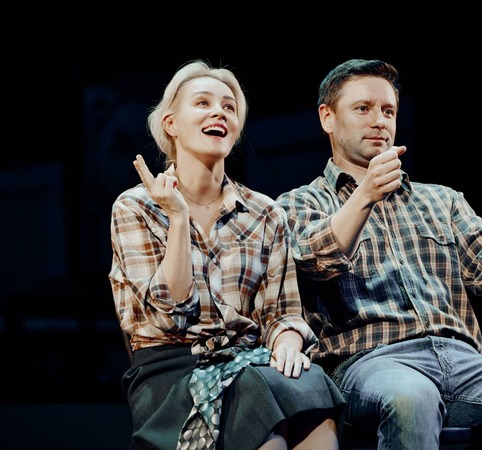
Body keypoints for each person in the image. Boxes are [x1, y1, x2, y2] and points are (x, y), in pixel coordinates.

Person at [276, 59, 482, 449]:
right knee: (412, 396)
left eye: (389, 111)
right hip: (369, 364)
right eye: (363, 109)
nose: (379, 121)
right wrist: (365, 195)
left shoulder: (441, 200)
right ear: (328, 118)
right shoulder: (299, 203)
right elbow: (317, 262)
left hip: (462, 362)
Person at [109, 60, 344, 450]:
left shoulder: (265, 212)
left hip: (247, 359)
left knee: (312, 389)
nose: (219, 112)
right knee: (260, 406)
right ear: (171, 124)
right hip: (170, 369)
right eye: (203, 103)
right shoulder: (135, 207)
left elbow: (280, 311)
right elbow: (170, 312)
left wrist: (287, 341)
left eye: (229, 107)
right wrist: (178, 218)